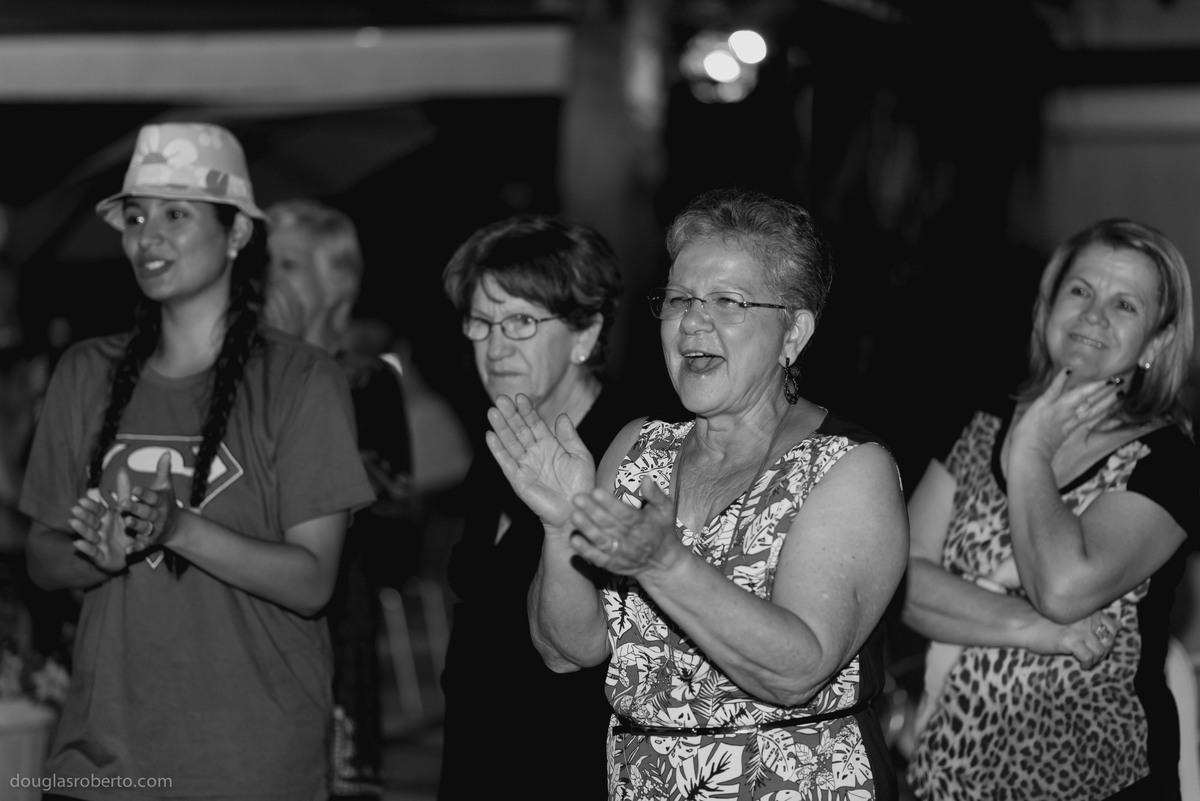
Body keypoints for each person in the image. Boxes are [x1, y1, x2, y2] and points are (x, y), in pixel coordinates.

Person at [486, 187, 909, 799]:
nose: (692, 322)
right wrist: (560, 527)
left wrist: (666, 566)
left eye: (728, 301)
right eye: (680, 298)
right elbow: (566, 650)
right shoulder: (639, 449)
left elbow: (796, 670)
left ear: (794, 332)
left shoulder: (846, 466)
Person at [19, 122, 376, 800]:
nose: (147, 236)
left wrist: (178, 528)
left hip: (248, 767)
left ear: (238, 233)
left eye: (176, 214)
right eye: (135, 215)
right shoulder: (84, 372)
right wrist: (99, 549)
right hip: (100, 765)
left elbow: (313, 581)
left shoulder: (303, 380)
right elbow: (41, 555)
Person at [901, 218, 1199, 800]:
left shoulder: (1167, 459)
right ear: (1045, 307)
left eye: (1125, 305)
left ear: (1156, 344)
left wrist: (1032, 450)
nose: (1094, 316)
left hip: (1096, 778)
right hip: (952, 773)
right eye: (1081, 291)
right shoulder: (981, 422)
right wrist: (1036, 630)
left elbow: (1063, 586)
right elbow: (902, 581)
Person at [437, 214, 627, 801]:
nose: (495, 347)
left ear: (585, 334)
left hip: (567, 762)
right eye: (481, 321)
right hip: (476, 756)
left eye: (520, 320)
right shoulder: (501, 442)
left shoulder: (626, 452)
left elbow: (584, 650)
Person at [265, 197, 414, 801]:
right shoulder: (242, 376)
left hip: (334, 617)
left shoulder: (365, 379)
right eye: (265, 261)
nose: (270, 278)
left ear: (338, 282)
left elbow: (394, 499)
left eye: (290, 265)